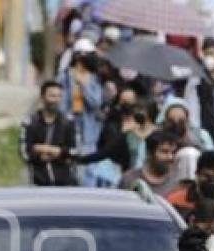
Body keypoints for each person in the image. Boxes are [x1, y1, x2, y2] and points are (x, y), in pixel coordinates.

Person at [59, 39, 104, 187]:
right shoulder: (65, 76)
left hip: (89, 129)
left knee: (88, 167)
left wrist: (83, 85)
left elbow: (96, 102)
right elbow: (61, 103)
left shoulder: (94, 79)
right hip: (70, 124)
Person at [20, 80, 78, 186]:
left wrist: (56, 151)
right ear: (43, 97)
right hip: (37, 183)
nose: (56, 100)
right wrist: (39, 157)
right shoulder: (30, 122)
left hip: (65, 183)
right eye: (52, 96)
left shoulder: (68, 122)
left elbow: (75, 151)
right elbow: (25, 152)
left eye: (59, 96)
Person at [78, 85, 137, 187]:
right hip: (113, 172)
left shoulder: (139, 122)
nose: (126, 106)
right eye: (123, 102)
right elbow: (108, 150)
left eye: (130, 102)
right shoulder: (112, 124)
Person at [157, 98, 214, 181]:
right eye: (171, 120)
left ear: (187, 120)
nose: (176, 124)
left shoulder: (201, 135)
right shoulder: (157, 136)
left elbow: (212, 160)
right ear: (165, 121)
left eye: (181, 121)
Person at [119, 130, 181, 198]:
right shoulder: (129, 179)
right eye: (164, 152)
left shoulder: (177, 182)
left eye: (173, 152)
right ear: (150, 154)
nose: (170, 157)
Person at [126, 98, 159, 169]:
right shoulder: (130, 133)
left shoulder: (158, 134)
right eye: (136, 109)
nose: (137, 112)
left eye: (140, 109)